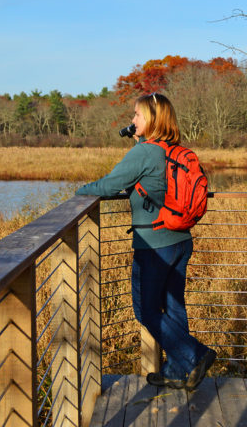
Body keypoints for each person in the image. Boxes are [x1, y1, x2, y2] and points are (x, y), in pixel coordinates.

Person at [76, 92, 216, 391]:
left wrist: (80, 192)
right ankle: (179, 371)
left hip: (154, 245)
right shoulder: (172, 150)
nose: (132, 120)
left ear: (151, 119)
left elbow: (110, 184)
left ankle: (195, 355)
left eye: (137, 115)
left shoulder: (144, 153)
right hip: (180, 240)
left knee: (146, 310)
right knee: (173, 307)